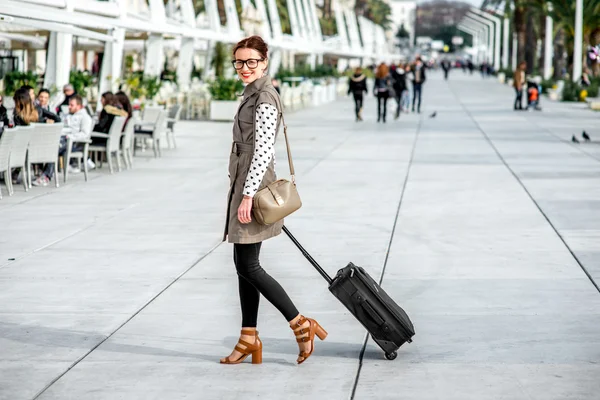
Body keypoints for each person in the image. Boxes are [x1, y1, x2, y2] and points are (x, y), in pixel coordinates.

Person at [221, 35, 327, 366]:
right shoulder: (252, 93)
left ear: (265, 62)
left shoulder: (265, 98)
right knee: (243, 266)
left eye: (251, 61)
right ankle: (248, 338)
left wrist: (249, 195)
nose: (244, 67)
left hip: (251, 187)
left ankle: (300, 324)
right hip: (244, 183)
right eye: (239, 61)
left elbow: (265, 150)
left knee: (248, 265)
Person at [33, 95, 92, 186]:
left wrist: (70, 137)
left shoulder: (85, 117)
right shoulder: (68, 115)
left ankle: (46, 176)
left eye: (72, 105)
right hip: (62, 140)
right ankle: (42, 173)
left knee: (54, 147)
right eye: (69, 105)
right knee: (49, 145)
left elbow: (85, 134)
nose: (69, 107)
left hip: (74, 144)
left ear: (79, 106)